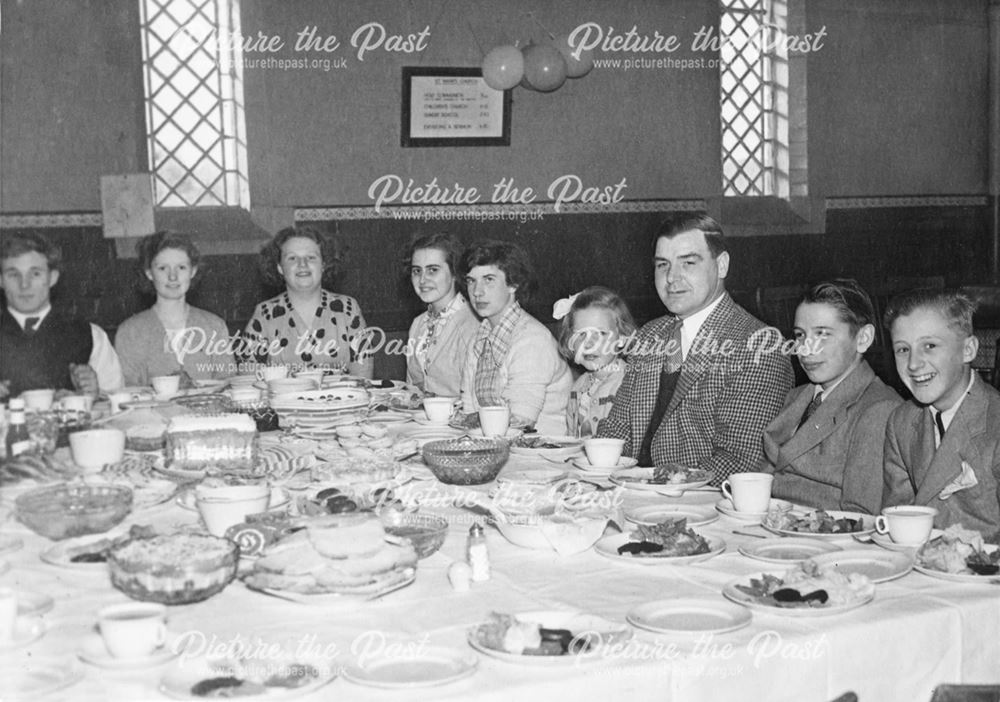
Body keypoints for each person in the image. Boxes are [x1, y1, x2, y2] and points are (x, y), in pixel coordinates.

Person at [598, 212, 793, 483]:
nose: (671, 278)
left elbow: (740, 462)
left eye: (688, 262)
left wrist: (652, 485)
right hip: (633, 493)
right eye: (662, 265)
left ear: (721, 265)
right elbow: (615, 431)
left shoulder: (758, 347)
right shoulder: (649, 335)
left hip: (699, 506)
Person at [760, 280, 901, 514]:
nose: (806, 349)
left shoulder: (879, 409)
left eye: (823, 334)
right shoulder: (797, 398)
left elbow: (861, 516)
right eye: (800, 335)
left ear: (863, 338)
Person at [882, 289, 1000, 539]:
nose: (913, 364)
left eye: (930, 346)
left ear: (968, 350)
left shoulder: (995, 421)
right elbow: (898, 516)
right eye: (903, 350)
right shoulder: (901, 422)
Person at [459, 240, 572, 435]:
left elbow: (520, 421)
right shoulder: (480, 336)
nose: (477, 292)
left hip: (541, 452)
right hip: (497, 442)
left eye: (488, 279)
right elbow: (469, 407)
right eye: (471, 281)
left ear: (513, 284)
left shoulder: (532, 340)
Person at [0, 232, 123, 398]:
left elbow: (117, 403)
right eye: (13, 275)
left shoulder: (90, 335)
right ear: (1, 280)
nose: (24, 284)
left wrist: (93, 396)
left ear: (53, 277)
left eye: (35, 273)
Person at [241, 226, 373, 377]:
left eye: (311, 257)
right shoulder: (264, 314)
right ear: (280, 268)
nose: (302, 264)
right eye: (292, 258)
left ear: (324, 264)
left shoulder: (348, 309)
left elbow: (364, 378)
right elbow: (248, 378)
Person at [114, 232, 236, 387]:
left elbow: (228, 383)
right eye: (163, 268)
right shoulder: (130, 331)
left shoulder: (214, 326)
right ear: (149, 273)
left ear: (192, 271)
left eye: (181, 267)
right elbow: (128, 391)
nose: (173, 277)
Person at [554, 286, 636, 438]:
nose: (588, 344)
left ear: (622, 337)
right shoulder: (578, 387)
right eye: (581, 334)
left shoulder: (631, 385)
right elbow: (572, 439)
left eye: (600, 333)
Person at [404, 233, 479, 397]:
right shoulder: (418, 324)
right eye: (417, 271)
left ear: (454, 273)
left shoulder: (473, 325)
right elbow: (412, 392)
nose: (422, 280)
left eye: (433, 270)